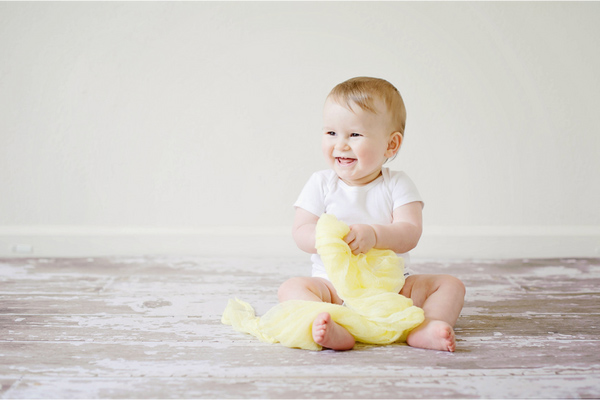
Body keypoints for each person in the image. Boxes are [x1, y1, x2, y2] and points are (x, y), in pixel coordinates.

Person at [278, 77, 466, 352]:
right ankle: (333, 324)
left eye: (354, 135)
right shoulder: (320, 183)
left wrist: (375, 234)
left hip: (391, 288)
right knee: (291, 288)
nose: (340, 144)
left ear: (391, 145)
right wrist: (328, 240)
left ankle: (428, 326)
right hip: (333, 287)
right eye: (331, 133)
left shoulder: (397, 184)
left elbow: (410, 231)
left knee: (451, 285)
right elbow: (301, 230)